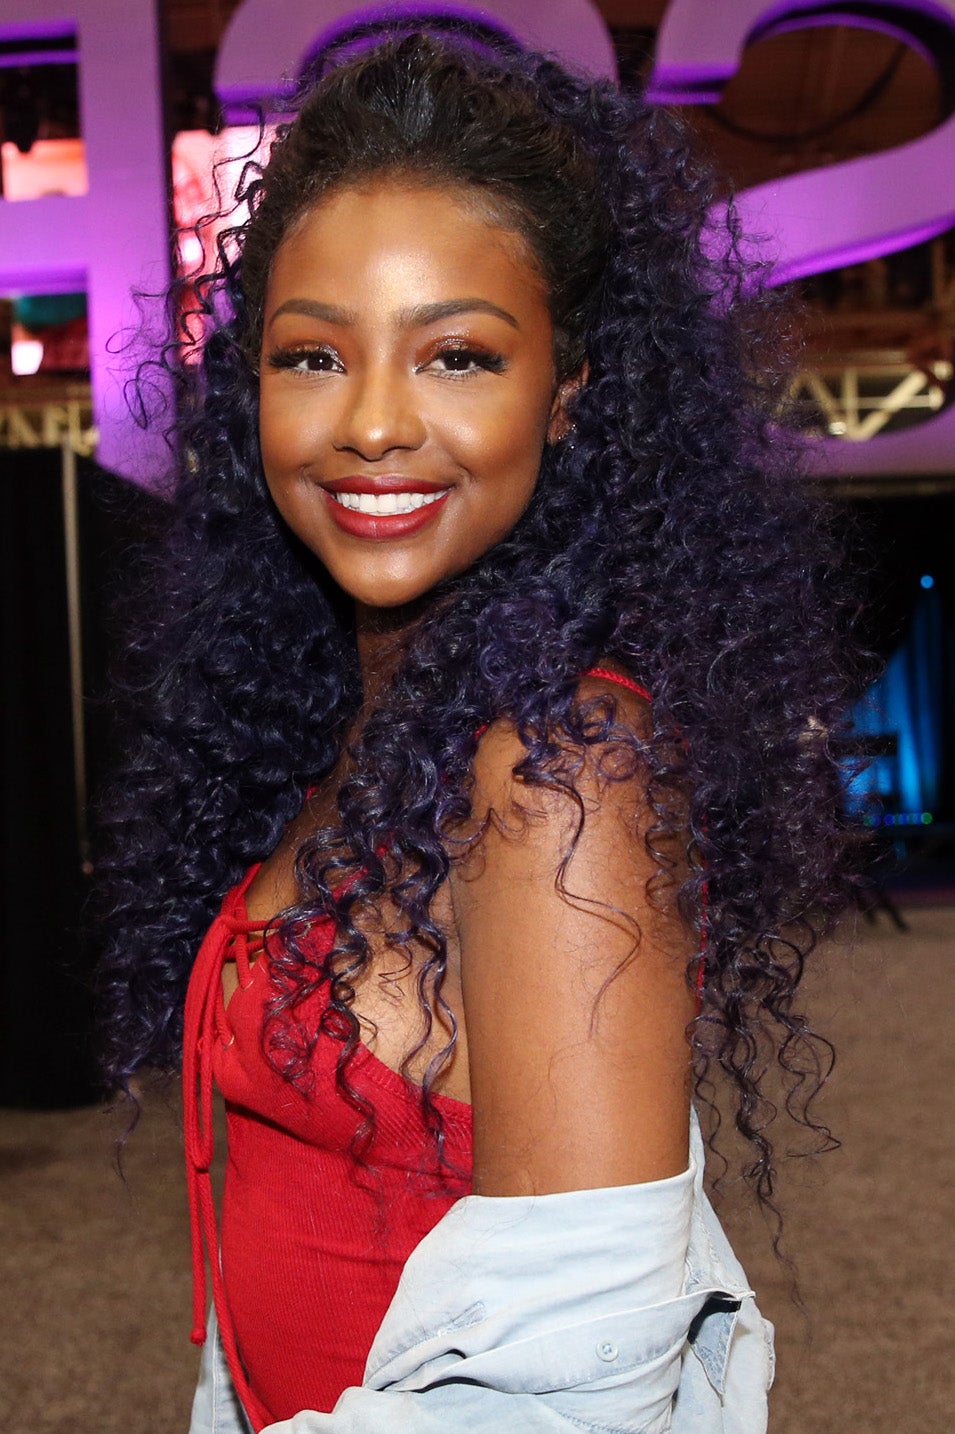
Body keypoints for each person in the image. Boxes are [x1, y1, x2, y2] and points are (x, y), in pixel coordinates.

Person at [98, 19, 857, 1434]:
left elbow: (575, 1392)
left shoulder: (560, 771)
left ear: (568, 396)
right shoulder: (353, 712)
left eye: (456, 355)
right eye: (312, 356)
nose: (373, 423)